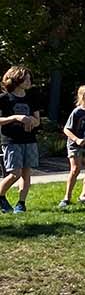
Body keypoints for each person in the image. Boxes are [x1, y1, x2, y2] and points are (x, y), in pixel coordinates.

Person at [0, 66, 42, 214]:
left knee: (26, 173)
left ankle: (21, 203)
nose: (29, 81)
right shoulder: (4, 98)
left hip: (29, 140)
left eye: (30, 78)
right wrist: (15, 117)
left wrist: (31, 120)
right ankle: (1, 196)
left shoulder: (32, 98)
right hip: (11, 141)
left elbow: (38, 120)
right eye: (26, 78)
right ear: (16, 79)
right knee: (14, 173)